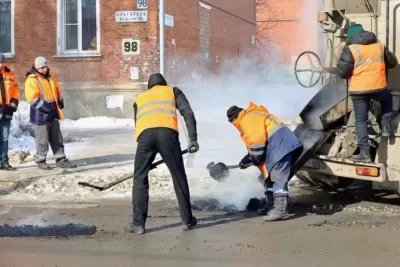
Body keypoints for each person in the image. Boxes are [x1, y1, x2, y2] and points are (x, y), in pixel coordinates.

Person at [125, 73, 199, 234]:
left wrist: (146, 159)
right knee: (178, 176)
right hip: (168, 135)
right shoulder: (172, 91)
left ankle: (138, 224)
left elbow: (138, 123)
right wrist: (193, 138)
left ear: (149, 86)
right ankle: (187, 221)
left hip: (145, 139)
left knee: (140, 178)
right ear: (164, 84)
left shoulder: (140, 98)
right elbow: (188, 113)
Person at [227, 102, 303, 221]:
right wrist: (247, 159)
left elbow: (257, 141)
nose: (233, 125)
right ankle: (270, 206)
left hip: (280, 146)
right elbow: (257, 144)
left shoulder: (247, 118)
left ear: (234, 119)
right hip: (276, 147)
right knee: (268, 179)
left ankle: (280, 210)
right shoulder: (252, 116)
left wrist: (255, 159)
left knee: (278, 177)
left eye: (232, 122)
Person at [337, 24, 398, 163]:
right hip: (378, 86)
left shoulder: (351, 49)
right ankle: (386, 126)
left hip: (359, 90)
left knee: (361, 121)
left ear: (351, 36)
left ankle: (365, 154)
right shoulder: (379, 46)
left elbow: (343, 72)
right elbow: (393, 63)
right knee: (387, 100)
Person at [24, 56, 76, 170]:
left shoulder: (50, 77)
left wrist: (59, 100)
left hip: (52, 112)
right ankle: (41, 160)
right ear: (37, 67)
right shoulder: (32, 80)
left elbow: (56, 89)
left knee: (57, 137)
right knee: (42, 139)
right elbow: (32, 98)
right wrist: (47, 109)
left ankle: (61, 159)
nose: (45, 69)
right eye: (42, 67)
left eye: (46, 67)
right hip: (40, 115)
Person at [0, 53, 20, 171]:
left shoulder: (10, 75)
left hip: (6, 111)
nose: (1, 64)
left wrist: (13, 103)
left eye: (2, 62)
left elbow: (16, 91)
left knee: (5, 137)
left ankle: (4, 161)